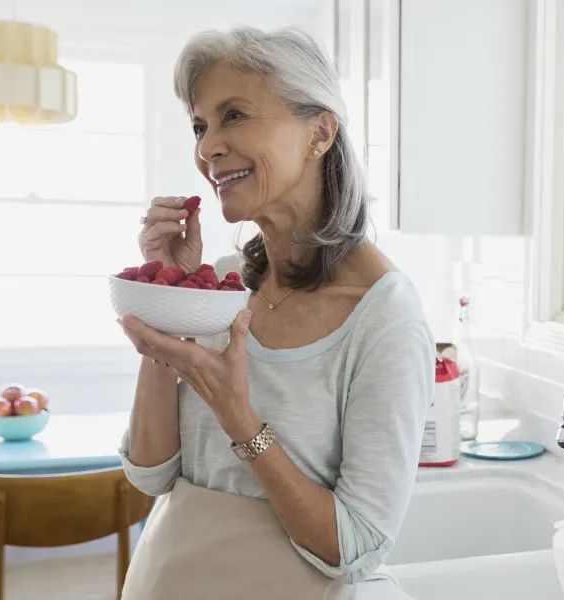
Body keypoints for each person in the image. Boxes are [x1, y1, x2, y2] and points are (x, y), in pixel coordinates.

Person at [116, 25, 434, 599]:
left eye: (233, 115)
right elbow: (150, 473)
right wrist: (169, 303)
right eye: (200, 125)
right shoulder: (219, 285)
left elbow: (354, 548)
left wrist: (239, 416)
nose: (207, 146)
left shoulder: (384, 316)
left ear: (319, 131)